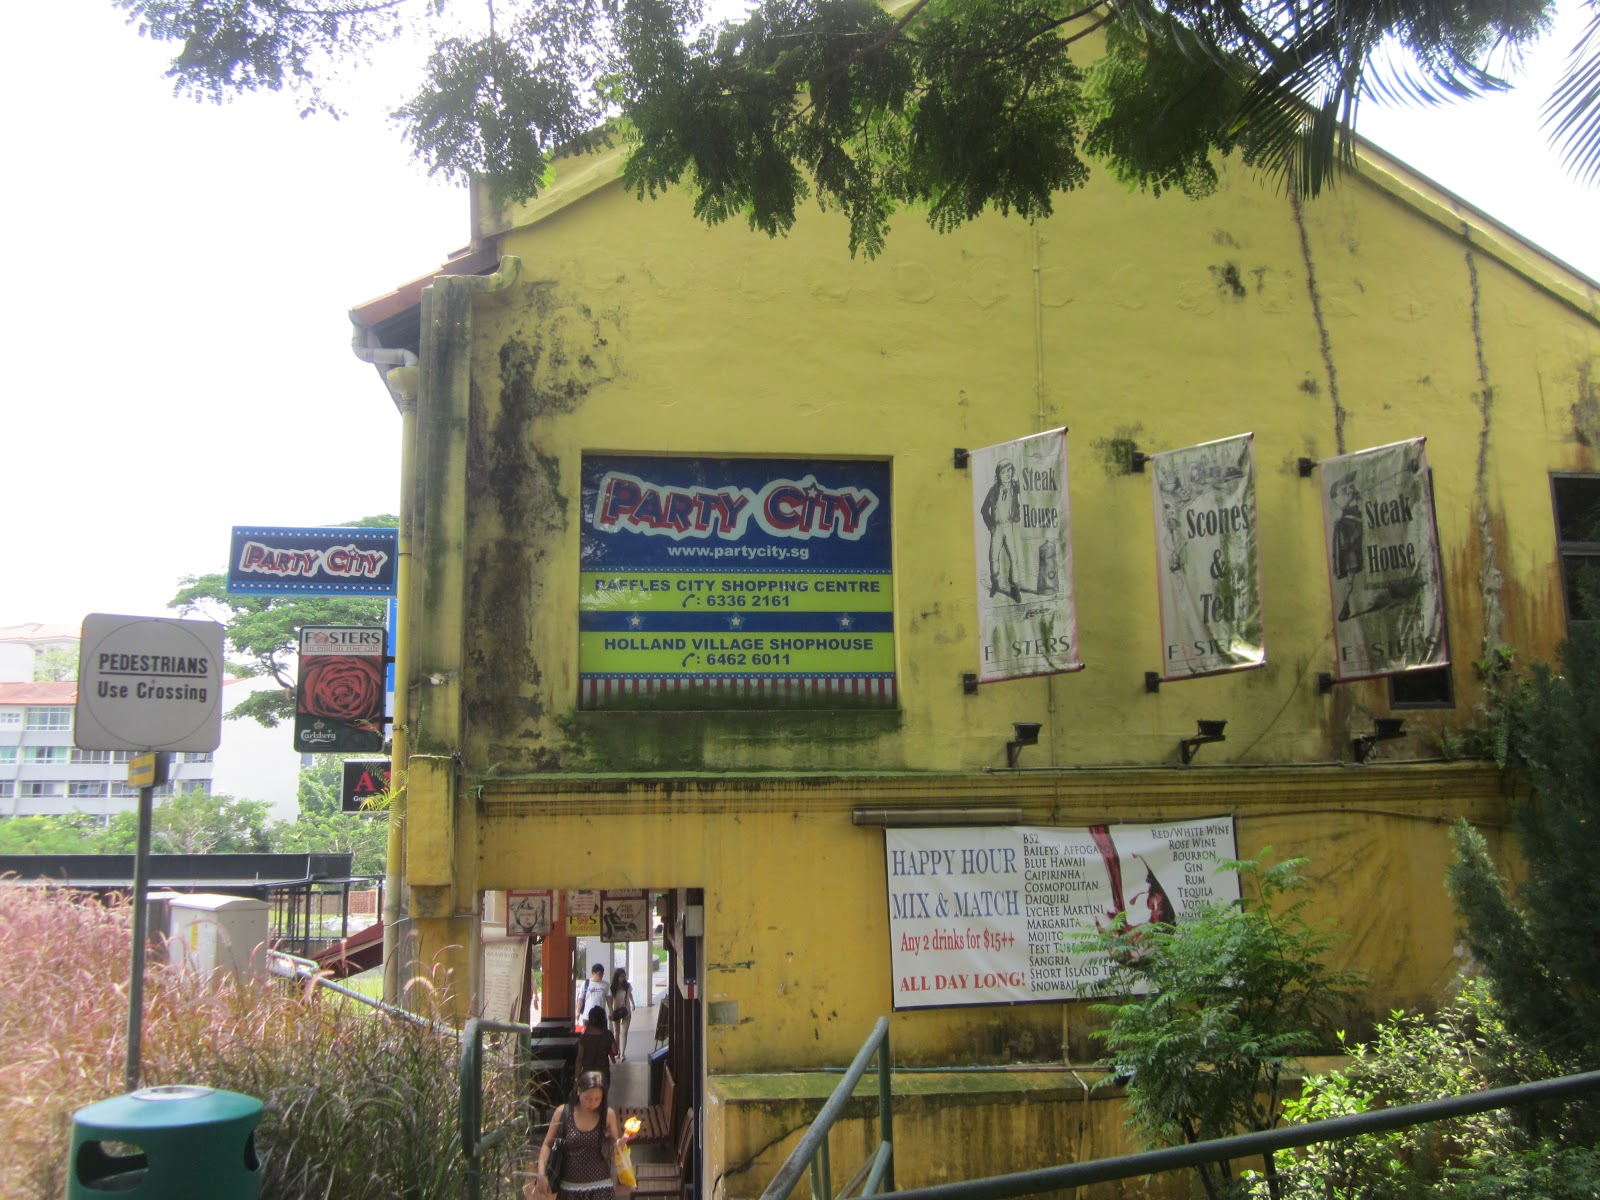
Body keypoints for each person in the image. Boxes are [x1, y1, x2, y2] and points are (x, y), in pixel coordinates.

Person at [528, 1070, 628, 1200]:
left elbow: (616, 1145)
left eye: (597, 1099)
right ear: (579, 1091)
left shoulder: (607, 1115)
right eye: (587, 1098)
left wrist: (622, 1141)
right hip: (569, 1188)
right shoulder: (563, 1112)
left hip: (601, 1187)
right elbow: (547, 1144)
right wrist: (541, 1174)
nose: (592, 1103)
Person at [574, 1006, 618, 1089]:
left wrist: (576, 1078)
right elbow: (615, 1051)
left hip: (587, 1074)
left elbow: (579, 1059)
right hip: (603, 1074)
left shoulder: (584, 1038)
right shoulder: (608, 1035)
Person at [609, 968, 636, 1060]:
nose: (623, 978)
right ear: (617, 977)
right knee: (616, 1032)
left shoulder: (627, 986)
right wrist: (611, 1011)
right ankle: (617, 1052)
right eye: (621, 976)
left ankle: (622, 1053)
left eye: (624, 976)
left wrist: (633, 1003)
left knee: (624, 1032)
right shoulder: (612, 987)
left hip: (626, 1010)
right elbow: (610, 999)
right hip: (616, 1011)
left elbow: (630, 994)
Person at [578, 963, 609, 1029]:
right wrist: (578, 1012)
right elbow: (580, 998)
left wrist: (611, 1011)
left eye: (602, 974)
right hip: (587, 1016)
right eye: (599, 974)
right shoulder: (585, 984)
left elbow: (609, 998)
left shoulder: (606, 984)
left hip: (601, 1016)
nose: (601, 976)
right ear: (593, 973)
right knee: (587, 1034)